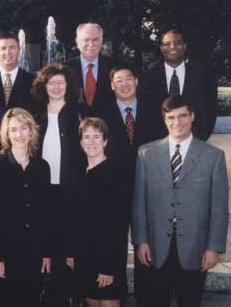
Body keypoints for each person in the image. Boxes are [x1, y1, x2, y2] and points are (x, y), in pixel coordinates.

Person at [132, 95, 229, 307]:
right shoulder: (146, 153)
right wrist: (141, 241)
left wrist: (213, 247)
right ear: (164, 120)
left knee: (190, 301)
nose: (178, 122)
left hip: (195, 247)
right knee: (155, 301)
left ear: (192, 116)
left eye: (183, 115)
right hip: (155, 247)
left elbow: (219, 207)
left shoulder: (213, 156)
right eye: (171, 117)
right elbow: (139, 202)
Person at [96, 65, 161, 307]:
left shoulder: (155, 110)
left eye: (128, 79)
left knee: (147, 244)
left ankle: (148, 298)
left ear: (136, 81)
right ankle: (117, 296)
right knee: (114, 242)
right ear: (112, 85)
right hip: (115, 190)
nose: (124, 84)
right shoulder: (101, 113)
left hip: (149, 188)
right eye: (118, 80)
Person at [0, 107, 52, 306]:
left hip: (34, 251)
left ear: (31, 131)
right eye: (13, 129)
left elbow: (45, 213)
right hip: (6, 252)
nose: (19, 134)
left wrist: (46, 252)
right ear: (6, 133)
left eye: (24, 128)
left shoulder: (42, 167)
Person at [31, 64, 85, 305]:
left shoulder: (78, 113)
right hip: (42, 189)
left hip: (70, 188)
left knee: (66, 248)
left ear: (68, 86)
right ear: (44, 86)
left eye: (60, 82)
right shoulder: (36, 113)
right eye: (50, 82)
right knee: (44, 244)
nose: (55, 87)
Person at [77, 118, 128, 307]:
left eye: (96, 137)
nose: (91, 142)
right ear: (81, 142)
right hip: (86, 258)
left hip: (107, 260)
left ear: (105, 141)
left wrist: (108, 267)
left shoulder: (114, 174)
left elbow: (117, 225)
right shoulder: (81, 173)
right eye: (86, 137)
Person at [139, 28, 218, 141]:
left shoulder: (203, 76)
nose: (173, 47)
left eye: (177, 43)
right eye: (167, 44)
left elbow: (211, 110)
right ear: (161, 48)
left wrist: (200, 139)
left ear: (184, 46)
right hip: (157, 144)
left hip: (194, 141)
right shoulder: (148, 78)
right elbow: (145, 113)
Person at [63, 23, 115, 116]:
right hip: (73, 127)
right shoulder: (64, 70)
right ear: (77, 41)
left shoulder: (115, 68)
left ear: (102, 41)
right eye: (86, 40)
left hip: (108, 127)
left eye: (95, 39)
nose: (91, 44)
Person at [0, 31, 36, 112]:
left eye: (12, 47)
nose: (8, 52)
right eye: (3, 48)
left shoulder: (33, 82)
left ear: (19, 51)